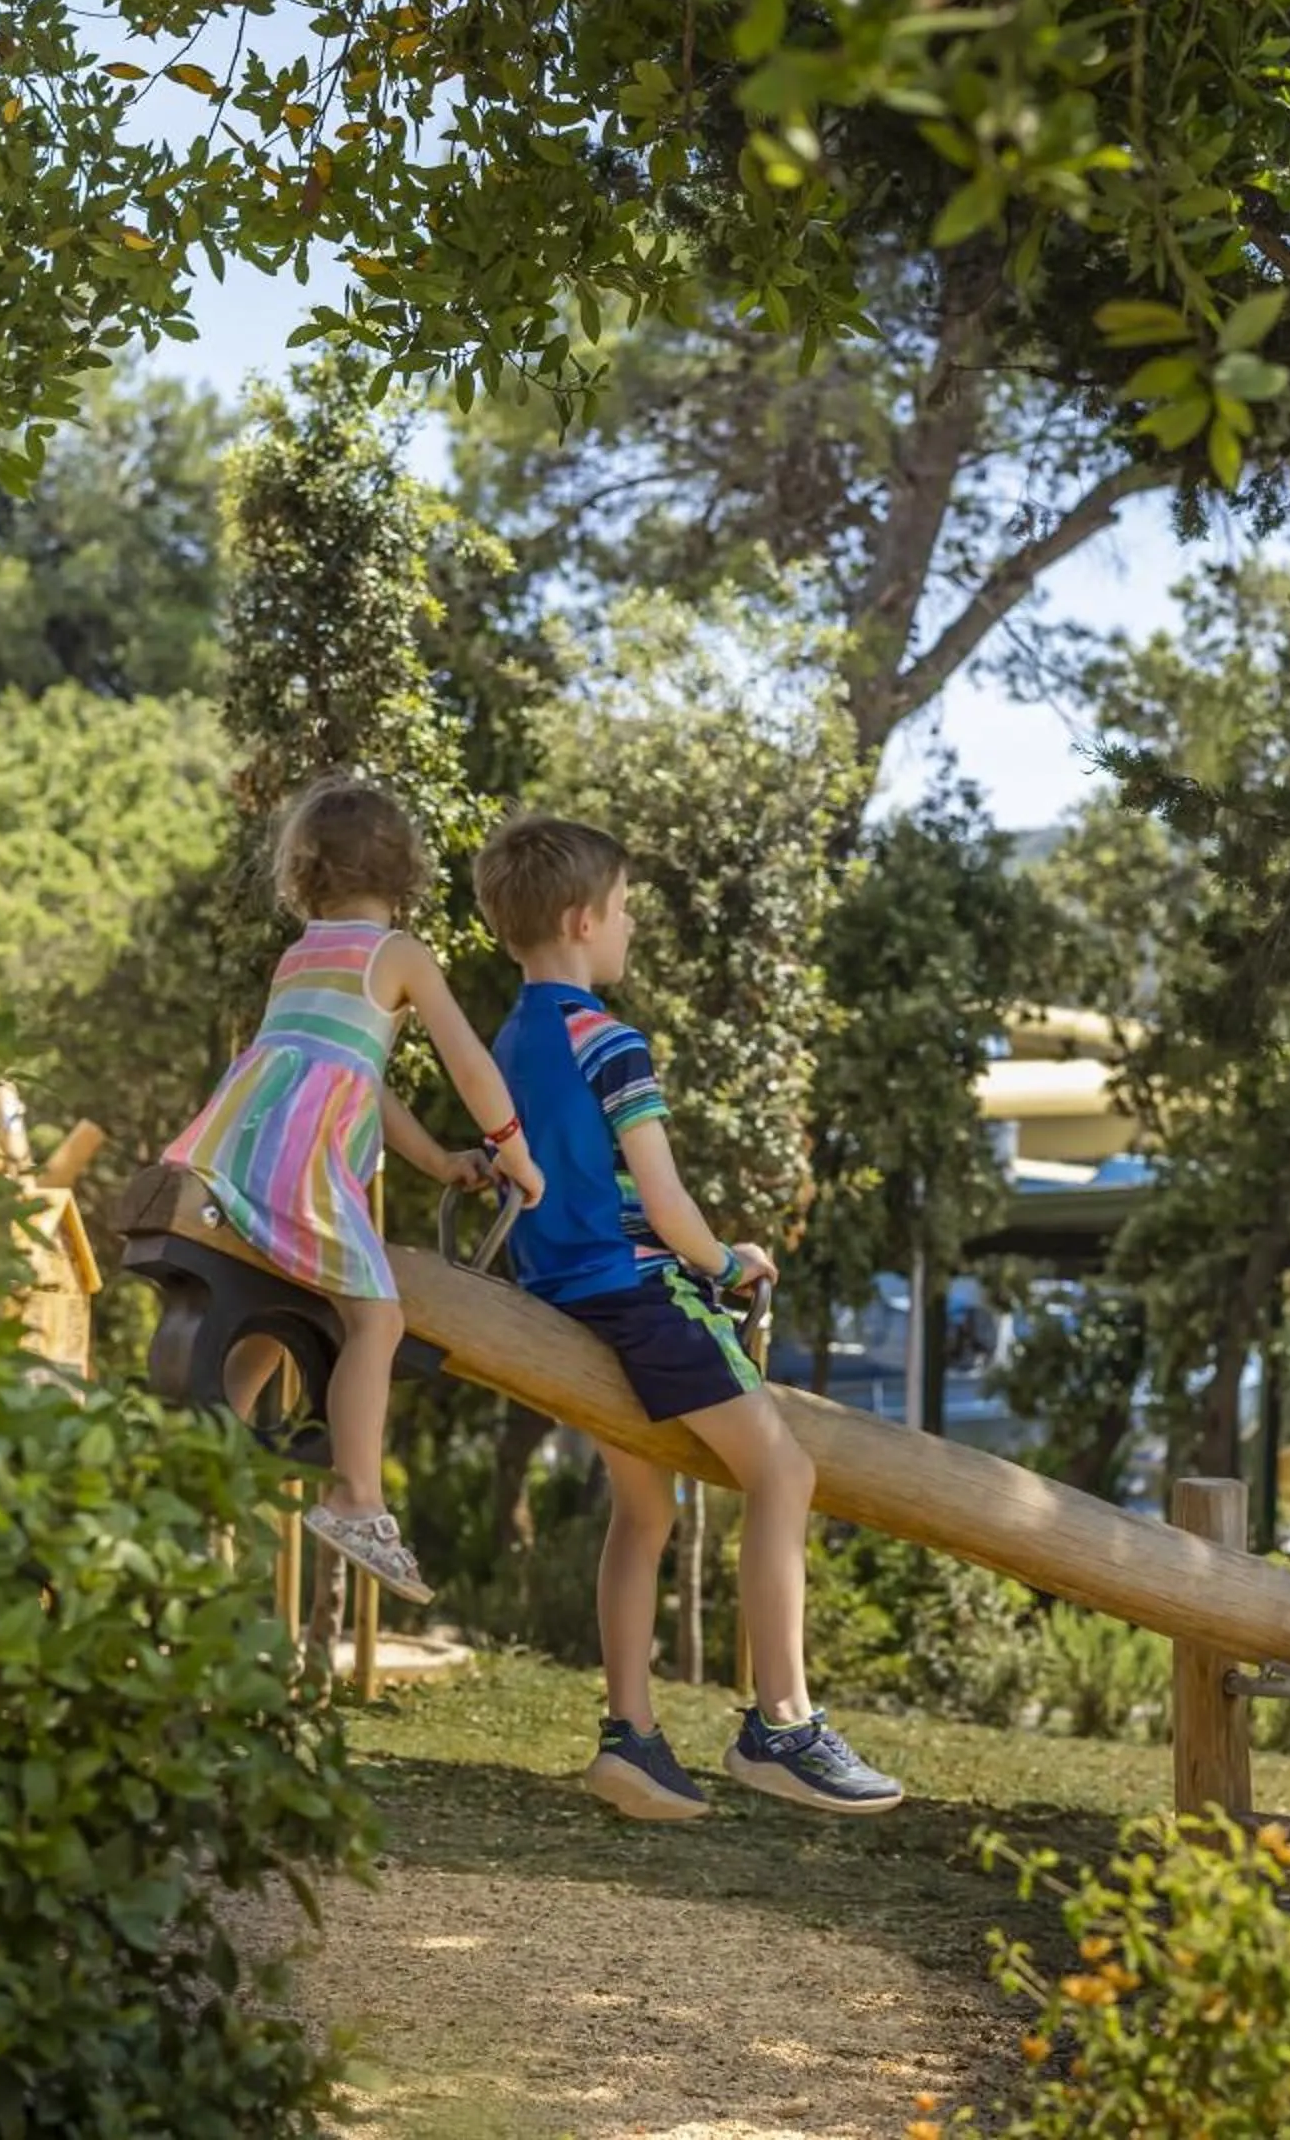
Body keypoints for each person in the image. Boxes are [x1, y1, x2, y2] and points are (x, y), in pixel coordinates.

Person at [472, 809, 904, 1822]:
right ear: (581, 921)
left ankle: (631, 1736)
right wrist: (725, 1264)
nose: (630, 925)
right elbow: (663, 1204)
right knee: (784, 1472)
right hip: (639, 1293)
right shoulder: (607, 1040)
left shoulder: (509, 1042)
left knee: (645, 1511)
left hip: (559, 1297)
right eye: (625, 908)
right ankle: (782, 1726)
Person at [166, 775, 542, 1604]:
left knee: (278, 1304)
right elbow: (467, 1062)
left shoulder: (300, 955)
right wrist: (513, 1149)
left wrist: (437, 1162)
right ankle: (356, 1498)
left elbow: (356, 1076)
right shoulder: (398, 954)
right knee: (376, 1318)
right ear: (406, 869)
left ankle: (196, 1466)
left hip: (243, 1148)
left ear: (305, 872)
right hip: (303, 1165)